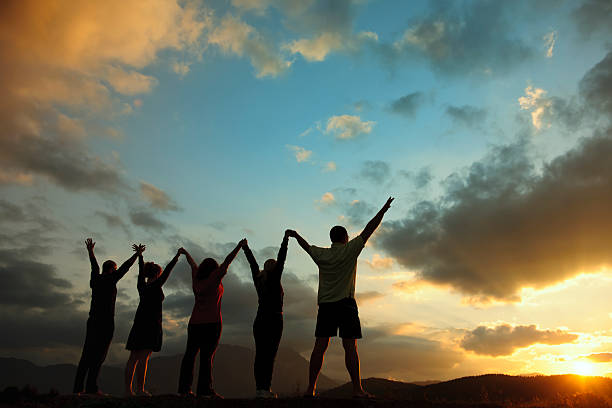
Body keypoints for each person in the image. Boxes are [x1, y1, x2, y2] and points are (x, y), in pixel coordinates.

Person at [289, 197, 394, 398]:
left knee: (319, 347)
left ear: (331, 239)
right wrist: (384, 209)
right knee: (350, 347)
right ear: (345, 237)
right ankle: (357, 389)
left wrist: (295, 235)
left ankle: (310, 389)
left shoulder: (321, 255)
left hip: (326, 306)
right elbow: (369, 229)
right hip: (346, 304)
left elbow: (306, 246)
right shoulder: (350, 250)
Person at [177, 239, 246, 398]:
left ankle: (184, 389)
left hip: (194, 323)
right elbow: (227, 261)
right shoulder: (215, 277)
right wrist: (239, 246)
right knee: (207, 357)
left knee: (190, 355)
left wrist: (185, 253)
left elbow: (192, 265)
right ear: (214, 269)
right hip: (212, 323)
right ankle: (205, 390)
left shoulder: (196, 278)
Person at [73, 239, 143, 395]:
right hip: (105, 322)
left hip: (92, 321)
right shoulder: (111, 279)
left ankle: (78, 389)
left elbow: (94, 265)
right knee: (99, 355)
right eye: (115, 269)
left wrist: (90, 252)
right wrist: (137, 255)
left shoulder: (95, 279)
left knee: (86, 354)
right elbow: (125, 267)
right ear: (112, 269)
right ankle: (91, 388)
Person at [124, 247, 181, 396]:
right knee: (144, 357)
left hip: (139, 322)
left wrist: (140, 256)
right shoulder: (156, 284)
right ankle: (140, 389)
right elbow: (168, 270)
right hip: (151, 323)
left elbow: (140, 272)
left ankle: (128, 390)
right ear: (157, 273)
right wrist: (176, 256)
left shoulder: (141, 286)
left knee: (133, 357)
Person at [242, 231, 290, 398]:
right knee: (270, 355)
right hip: (274, 319)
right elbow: (282, 257)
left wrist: (246, 248)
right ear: (275, 267)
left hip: (260, 319)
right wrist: (285, 239)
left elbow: (252, 264)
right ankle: (265, 389)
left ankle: (260, 389)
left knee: (261, 354)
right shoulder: (274, 278)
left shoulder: (259, 278)